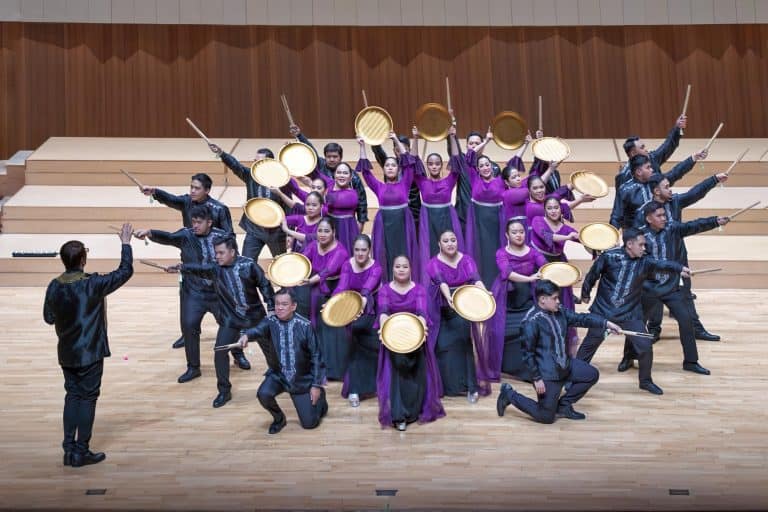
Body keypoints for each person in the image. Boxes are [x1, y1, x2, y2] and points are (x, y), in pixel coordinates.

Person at [44, 223, 134, 467]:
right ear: (82, 260)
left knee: (72, 395)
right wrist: (125, 244)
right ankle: (81, 451)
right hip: (90, 352)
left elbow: (48, 317)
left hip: (66, 352)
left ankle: (68, 450)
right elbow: (124, 271)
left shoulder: (54, 285)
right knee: (88, 398)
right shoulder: (92, 284)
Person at [134, 205, 251, 380]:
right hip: (194, 292)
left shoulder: (221, 237)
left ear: (209, 222)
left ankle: (238, 354)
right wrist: (150, 232)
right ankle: (193, 367)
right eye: (193, 221)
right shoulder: (185, 235)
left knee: (230, 325)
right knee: (189, 327)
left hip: (218, 292)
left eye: (199, 222)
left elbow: (233, 259)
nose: (195, 225)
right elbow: (168, 237)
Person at [576, 228, 689, 395]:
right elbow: (592, 275)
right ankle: (575, 377)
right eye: (641, 244)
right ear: (629, 244)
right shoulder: (609, 257)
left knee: (645, 346)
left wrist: (679, 268)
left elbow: (661, 264)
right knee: (588, 348)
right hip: (603, 312)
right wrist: (585, 293)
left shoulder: (645, 261)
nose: (644, 248)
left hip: (630, 314)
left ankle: (645, 381)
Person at [496, 280, 621, 423]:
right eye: (555, 298)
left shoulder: (560, 311)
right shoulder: (530, 322)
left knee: (591, 374)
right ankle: (509, 394)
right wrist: (536, 378)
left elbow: (582, 318)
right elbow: (527, 354)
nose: (558, 301)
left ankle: (563, 406)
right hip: (548, 374)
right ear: (543, 299)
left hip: (565, 365)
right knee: (546, 417)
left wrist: (607, 324)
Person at [630, 202, 729, 375]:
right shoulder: (640, 235)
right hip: (649, 287)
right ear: (648, 218)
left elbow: (692, 226)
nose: (664, 218)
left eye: (664, 215)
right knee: (637, 324)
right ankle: (628, 357)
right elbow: (641, 262)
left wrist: (714, 221)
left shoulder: (672, 229)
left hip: (670, 287)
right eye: (659, 216)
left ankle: (691, 361)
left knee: (686, 321)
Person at [176, 235, 275, 408]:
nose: (217, 256)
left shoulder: (249, 265)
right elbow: (200, 268)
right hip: (231, 318)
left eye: (221, 253)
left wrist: (272, 307)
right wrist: (182, 267)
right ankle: (224, 390)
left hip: (255, 317)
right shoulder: (215, 268)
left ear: (232, 252)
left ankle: (278, 376)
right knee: (220, 351)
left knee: (271, 350)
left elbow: (264, 285)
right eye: (216, 253)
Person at [140, 172, 233, 349]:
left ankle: (236, 350)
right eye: (191, 187)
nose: (192, 191)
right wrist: (155, 192)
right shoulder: (187, 202)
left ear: (207, 190)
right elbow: (171, 200)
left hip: (213, 264)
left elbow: (229, 236)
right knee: (187, 301)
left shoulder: (220, 209)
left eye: (197, 188)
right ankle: (188, 334)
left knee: (225, 310)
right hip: (191, 258)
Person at [635, 172, 729, 342]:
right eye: (666, 187)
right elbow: (638, 237)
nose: (670, 190)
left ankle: (696, 329)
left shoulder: (675, 202)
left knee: (685, 293)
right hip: (656, 262)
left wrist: (714, 179)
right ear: (656, 191)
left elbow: (694, 194)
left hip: (677, 256)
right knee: (654, 296)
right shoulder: (645, 211)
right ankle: (654, 329)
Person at [238, 288, 328, 434]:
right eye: (277, 304)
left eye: (284, 304)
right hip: (278, 376)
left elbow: (317, 357)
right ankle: (279, 419)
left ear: (294, 306)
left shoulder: (305, 326)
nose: (279, 307)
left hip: (301, 380)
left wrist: (316, 385)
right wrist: (247, 336)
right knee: (263, 394)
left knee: (310, 424)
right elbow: (257, 330)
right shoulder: (270, 321)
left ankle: (320, 400)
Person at [376, 255, 445, 431]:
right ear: (393, 269)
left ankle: (414, 410)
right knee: (398, 371)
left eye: (405, 267)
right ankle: (399, 415)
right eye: (398, 266)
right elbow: (383, 312)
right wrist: (385, 330)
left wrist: (420, 329)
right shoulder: (385, 290)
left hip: (415, 337)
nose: (401, 269)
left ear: (410, 269)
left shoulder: (419, 289)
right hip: (394, 338)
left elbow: (422, 313)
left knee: (417, 372)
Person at [426, 231, 486, 400]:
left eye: (453, 240)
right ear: (439, 244)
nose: (450, 243)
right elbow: (442, 282)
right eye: (446, 241)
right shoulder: (433, 263)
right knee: (440, 346)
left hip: (461, 308)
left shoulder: (466, 260)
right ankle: (441, 386)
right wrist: (449, 298)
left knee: (464, 344)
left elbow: (475, 278)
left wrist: (484, 292)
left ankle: (471, 387)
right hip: (440, 309)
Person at [486, 220, 548, 382]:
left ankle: (528, 370)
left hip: (527, 297)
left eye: (521, 231)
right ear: (507, 235)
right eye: (514, 232)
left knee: (529, 331)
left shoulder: (532, 252)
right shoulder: (502, 252)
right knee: (500, 331)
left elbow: (545, 266)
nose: (518, 235)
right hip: (507, 297)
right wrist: (530, 278)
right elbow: (507, 273)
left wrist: (548, 272)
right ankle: (505, 365)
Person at [208, 144, 289, 261]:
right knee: (246, 263)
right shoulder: (251, 175)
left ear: (270, 163)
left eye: (259, 161)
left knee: (281, 263)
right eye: (254, 161)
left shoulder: (281, 180)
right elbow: (236, 166)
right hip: (254, 229)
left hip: (275, 232)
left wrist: (289, 232)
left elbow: (287, 207)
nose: (255, 164)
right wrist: (222, 153)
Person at [356, 133, 419, 282]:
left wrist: (396, 139)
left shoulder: (405, 182)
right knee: (384, 253)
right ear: (383, 169)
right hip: (384, 223)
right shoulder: (378, 186)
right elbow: (365, 172)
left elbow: (409, 164)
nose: (390, 168)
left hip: (403, 223)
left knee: (404, 253)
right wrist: (362, 146)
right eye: (387, 165)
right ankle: (386, 285)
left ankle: (406, 284)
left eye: (393, 165)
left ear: (398, 168)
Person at [291, 125, 369, 233]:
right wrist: (299, 136)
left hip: (345, 222)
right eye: (329, 157)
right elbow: (311, 152)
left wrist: (361, 222)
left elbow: (362, 201)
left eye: (335, 157)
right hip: (321, 219)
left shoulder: (353, 176)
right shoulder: (320, 166)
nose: (331, 159)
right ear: (325, 157)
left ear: (340, 158)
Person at [453, 130, 506, 288]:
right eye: (472, 143)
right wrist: (487, 141)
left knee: (492, 252)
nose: (474, 146)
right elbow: (469, 156)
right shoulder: (468, 167)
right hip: (469, 217)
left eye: (477, 143)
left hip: (493, 219)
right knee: (474, 251)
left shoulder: (496, 172)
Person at [335, 235, 383, 406]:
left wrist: (360, 306)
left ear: (369, 250)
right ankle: (355, 389)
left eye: (364, 250)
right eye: (357, 250)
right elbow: (342, 286)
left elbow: (367, 289)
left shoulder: (376, 266)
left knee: (374, 349)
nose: (360, 253)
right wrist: (333, 304)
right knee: (355, 351)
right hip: (352, 311)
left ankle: (376, 386)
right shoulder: (348, 264)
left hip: (371, 310)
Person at [412, 126, 464, 284]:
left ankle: (453, 282)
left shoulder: (449, 180)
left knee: (450, 250)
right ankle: (432, 285)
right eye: (431, 164)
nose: (434, 166)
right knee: (431, 252)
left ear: (441, 165)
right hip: (428, 220)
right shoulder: (421, 181)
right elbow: (413, 160)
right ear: (427, 166)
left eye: (437, 163)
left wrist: (453, 137)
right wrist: (415, 137)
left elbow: (456, 159)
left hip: (447, 218)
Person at [529, 197, 581, 354]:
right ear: (545, 209)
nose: (553, 211)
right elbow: (546, 235)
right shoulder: (538, 220)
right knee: (542, 301)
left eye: (556, 208)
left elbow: (582, 238)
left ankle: (563, 343)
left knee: (562, 302)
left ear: (561, 209)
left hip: (559, 265)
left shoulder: (566, 228)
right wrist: (568, 237)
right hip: (540, 264)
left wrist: (596, 243)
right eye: (550, 208)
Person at [301, 217, 350, 380]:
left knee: (333, 332)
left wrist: (309, 280)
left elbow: (328, 271)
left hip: (334, 291)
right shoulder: (313, 246)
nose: (322, 234)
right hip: (316, 290)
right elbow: (302, 260)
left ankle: (335, 370)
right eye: (320, 230)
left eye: (326, 231)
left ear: (334, 233)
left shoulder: (340, 251)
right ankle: (318, 367)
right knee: (316, 328)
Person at [610, 149, 707, 230]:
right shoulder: (625, 190)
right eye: (648, 167)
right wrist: (612, 238)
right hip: (637, 238)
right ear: (639, 171)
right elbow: (616, 216)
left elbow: (675, 173)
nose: (652, 170)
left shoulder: (656, 181)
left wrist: (693, 158)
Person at [372, 132, 421, 229]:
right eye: (397, 150)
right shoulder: (391, 164)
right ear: (394, 151)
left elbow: (407, 158)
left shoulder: (414, 164)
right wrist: (372, 137)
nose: (400, 152)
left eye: (403, 149)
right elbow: (378, 152)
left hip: (412, 211)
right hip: (393, 210)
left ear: (409, 150)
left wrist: (396, 140)